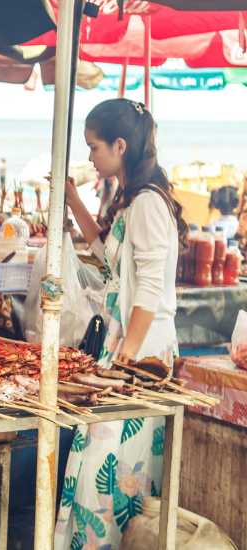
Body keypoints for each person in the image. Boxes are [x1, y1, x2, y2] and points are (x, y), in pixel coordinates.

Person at [56, 99, 186, 549]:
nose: (90, 156)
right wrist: (73, 201)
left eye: (94, 147)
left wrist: (124, 360)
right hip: (125, 345)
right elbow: (108, 258)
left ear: (120, 146)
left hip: (141, 353)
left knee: (108, 469)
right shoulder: (133, 199)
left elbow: (149, 288)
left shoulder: (148, 203)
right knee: (107, 468)